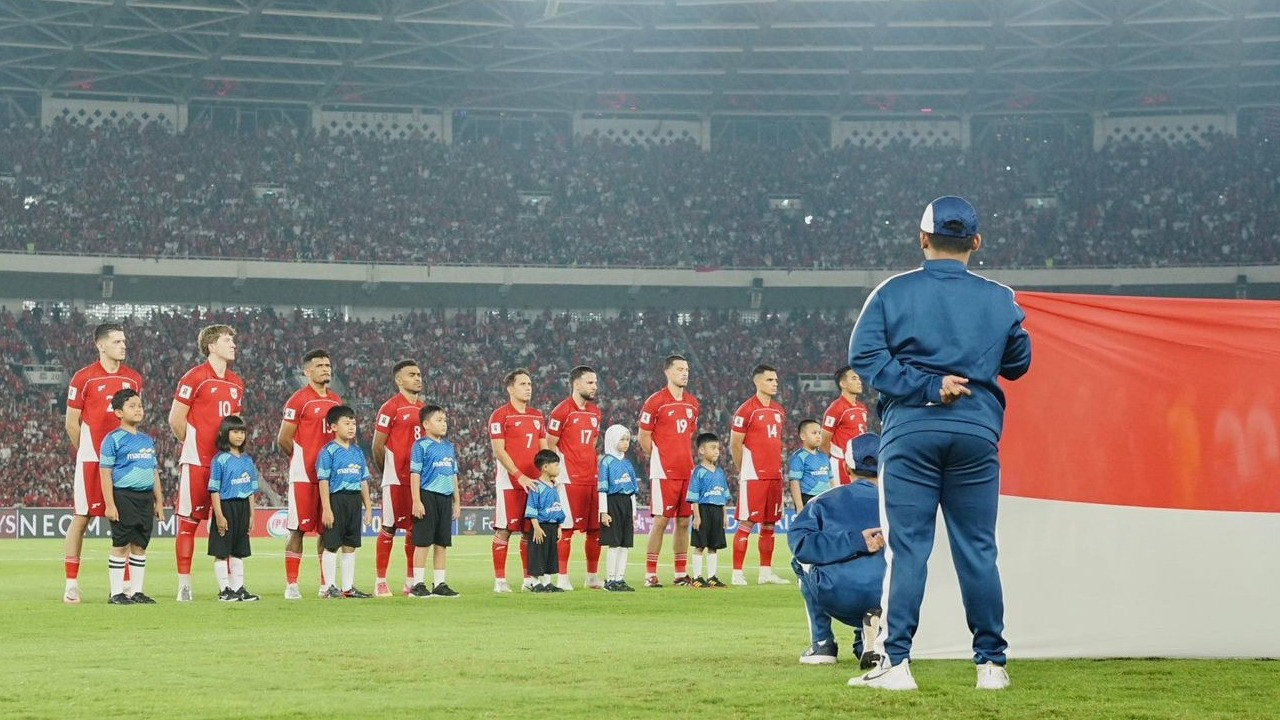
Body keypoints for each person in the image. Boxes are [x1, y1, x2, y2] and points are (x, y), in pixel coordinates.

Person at [847, 195, 1032, 692]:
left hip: (911, 429)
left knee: (907, 551)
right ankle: (991, 666)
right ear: (976, 242)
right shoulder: (1000, 297)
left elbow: (862, 356)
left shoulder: (892, 291)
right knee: (978, 550)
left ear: (923, 239)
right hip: (976, 433)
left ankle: (897, 664)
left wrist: (928, 386)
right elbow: (1019, 363)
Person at [63, 322, 144, 604]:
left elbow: (134, 418)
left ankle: (123, 587)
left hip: (125, 464)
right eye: (117, 341)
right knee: (81, 517)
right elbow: (71, 424)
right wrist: (89, 450)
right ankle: (71, 583)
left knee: (125, 523)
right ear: (101, 345)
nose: (123, 345)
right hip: (92, 460)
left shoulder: (133, 379)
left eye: (124, 341)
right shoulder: (83, 378)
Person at [788, 432, 885, 667]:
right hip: (890, 599)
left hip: (839, 595)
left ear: (846, 466)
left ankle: (823, 643)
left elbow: (800, 545)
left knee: (799, 560)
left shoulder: (821, 500)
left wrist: (853, 542)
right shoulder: (902, 502)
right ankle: (872, 637)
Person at [169, 324, 244, 602]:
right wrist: (194, 445)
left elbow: (235, 425)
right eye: (228, 339)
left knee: (224, 525)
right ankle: (184, 585)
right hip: (198, 463)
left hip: (225, 466)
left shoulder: (236, 382)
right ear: (212, 346)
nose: (233, 344)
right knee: (189, 524)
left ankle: (228, 587)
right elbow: (176, 419)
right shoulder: (195, 377)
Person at [278, 349, 344, 600]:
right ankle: (292, 585)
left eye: (328, 365)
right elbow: (284, 439)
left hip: (331, 479)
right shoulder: (298, 400)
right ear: (307, 372)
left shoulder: (336, 401)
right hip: (304, 476)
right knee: (297, 529)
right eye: (320, 366)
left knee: (327, 531)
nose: (326, 369)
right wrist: (301, 462)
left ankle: (326, 585)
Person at [637, 354, 700, 588]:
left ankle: (680, 573)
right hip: (664, 471)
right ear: (668, 372)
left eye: (687, 369)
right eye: (680, 369)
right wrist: (657, 460)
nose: (685, 373)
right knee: (661, 521)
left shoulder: (693, 402)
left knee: (684, 522)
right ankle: (650, 574)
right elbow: (644, 436)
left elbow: (689, 433)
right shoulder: (655, 402)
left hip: (687, 470)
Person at [99, 389, 164, 605]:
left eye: (140, 406)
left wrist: (159, 502)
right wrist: (110, 504)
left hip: (145, 498)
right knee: (121, 543)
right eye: (132, 406)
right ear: (118, 412)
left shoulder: (147, 440)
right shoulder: (112, 439)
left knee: (140, 545)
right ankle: (116, 592)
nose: (138, 409)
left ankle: (136, 591)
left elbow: (154, 471)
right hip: (123, 496)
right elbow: (105, 472)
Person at [729, 364, 790, 586]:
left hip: (775, 474)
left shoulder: (779, 410)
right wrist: (743, 470)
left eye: (775, 380)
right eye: (770, 380)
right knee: (747, 523)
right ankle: (737, 573)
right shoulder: (746, 410)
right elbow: (735, 444)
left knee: (770, 525)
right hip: (753, 475)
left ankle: (766, 572)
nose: (775, 383)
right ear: (757, 382)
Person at [488, 368, 547, 593]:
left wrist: (545, 477)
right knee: (504, 529)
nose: (528, 387)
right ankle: (500, 580)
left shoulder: (537, 415)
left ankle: (528, 579)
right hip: (510, 483)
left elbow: (544, 450)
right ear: (510, 388)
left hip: (534, 483)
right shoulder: (500, 415)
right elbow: (499, 451)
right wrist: (518, 475)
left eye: (530, 383)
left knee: (529, 531)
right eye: (523, 384)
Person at [546, 365, 604, 590]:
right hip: (569, 480)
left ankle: (591, 577)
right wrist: (557, 475)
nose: (594, 387)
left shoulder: (595, 412)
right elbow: (551, 445)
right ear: (576, 383)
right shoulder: (562, 411)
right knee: (567, 530)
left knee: (595, 531)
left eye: (595, 383)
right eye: (590, 382)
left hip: (592, 478)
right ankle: (562, 577)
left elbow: (593, 443)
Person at [370, 359, 425, 597]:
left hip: (419, 481)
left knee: (415, 531)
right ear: (399, 380)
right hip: (395, 479)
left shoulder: (425, 409)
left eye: (419, 374)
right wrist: (389, 472)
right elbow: (377, 446)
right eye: (412, 374)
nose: (418, 377)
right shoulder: (390, 407)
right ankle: (380, 581)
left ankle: (411, 581)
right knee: (389, 528)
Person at [316, 405, 374, 599]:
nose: (351, 427)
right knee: (331, 544)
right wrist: (326, 508)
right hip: (336, 499)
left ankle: (348, 587)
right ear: (333, 427)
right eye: (346, 423)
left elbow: (363, 480)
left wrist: (368, 506)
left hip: (354, 499)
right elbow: (323, 481)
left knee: (350, 544)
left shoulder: (358, 452)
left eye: (354, 423)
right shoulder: (328, 451)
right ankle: (329, 587)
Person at [408, 404, 461, 598]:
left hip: (445, 498)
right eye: (439, 420)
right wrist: (416, 500)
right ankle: (418, 584)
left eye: (445, 420)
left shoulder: (448, 446)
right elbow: (415, 473)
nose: (444, 424)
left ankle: (439, 583)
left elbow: (454, 475)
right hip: (427, 496)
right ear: (426, 424)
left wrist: (457, 501)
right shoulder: (420, 445)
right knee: (423, 542)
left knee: (441, 543)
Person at [207, 415, 261, 602]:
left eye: (242, 432)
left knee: (239, 551)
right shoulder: (219, 460)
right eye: (235, 432)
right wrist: (219, 515)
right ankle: (224, 590)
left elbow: (251, 490)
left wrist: (252, 515)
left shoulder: (247, 460)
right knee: (222, 551)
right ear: (225, 434)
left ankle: (238, 588)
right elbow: (214, 490)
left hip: (243, 508)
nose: (239, 436)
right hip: (226, 507)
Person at [597, 424, 639, 592]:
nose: (625, 443)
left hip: (626, 504)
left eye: (627, 439)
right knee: (614, 544)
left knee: (625, 544)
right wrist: (603, 512)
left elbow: (633, 492)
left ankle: (620, 578)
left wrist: (634, 515)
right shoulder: (606, 462)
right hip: (612, 502)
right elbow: (602, 490)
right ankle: (611, 580)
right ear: (612, 439)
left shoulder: (628, 464)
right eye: (622, 439)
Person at [686, 433, 730, 589]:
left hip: (717, 511)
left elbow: (724, 496)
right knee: (700, 545)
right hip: (703, 510)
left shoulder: (720, 472)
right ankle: (697, 577)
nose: (717, 451)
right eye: (713, 448)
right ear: (702, 450)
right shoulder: (698, 472)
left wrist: (725, 515)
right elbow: (694, 497)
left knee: (714, 546)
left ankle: (712, 577)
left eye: (718, 448)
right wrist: (696, 516)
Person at [524, 450, 567, 593]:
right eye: (556, 464)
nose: (559, 468)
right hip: (540, 526)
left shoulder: (556, 486)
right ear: (545, 467)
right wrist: (536, 527)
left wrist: (559, 527)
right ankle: (535, 583)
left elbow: (558, 507)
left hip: (553, 525)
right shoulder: (536, 486)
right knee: (538, 554)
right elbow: (532, 508)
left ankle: (547, 582)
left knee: (550, 554)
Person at [821, 367, 869, 486]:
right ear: (843, 384)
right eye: (854, 378)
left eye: (858, 378)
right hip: (841, 465)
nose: (859, 381)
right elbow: (824, 441)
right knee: (842, 501)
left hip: (859, 464)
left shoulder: (861, 407)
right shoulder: (835, 408)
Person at [788, 419, 833, 510]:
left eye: (820, 433)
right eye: (814, 433)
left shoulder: (824, 456)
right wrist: (799, 506)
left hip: (826, 498)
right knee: (810, 525)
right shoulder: (798, 457)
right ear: (803, 436)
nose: (818, 436)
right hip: (808, 499)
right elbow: (794, 483)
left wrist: (835, 499)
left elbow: (831, 479)